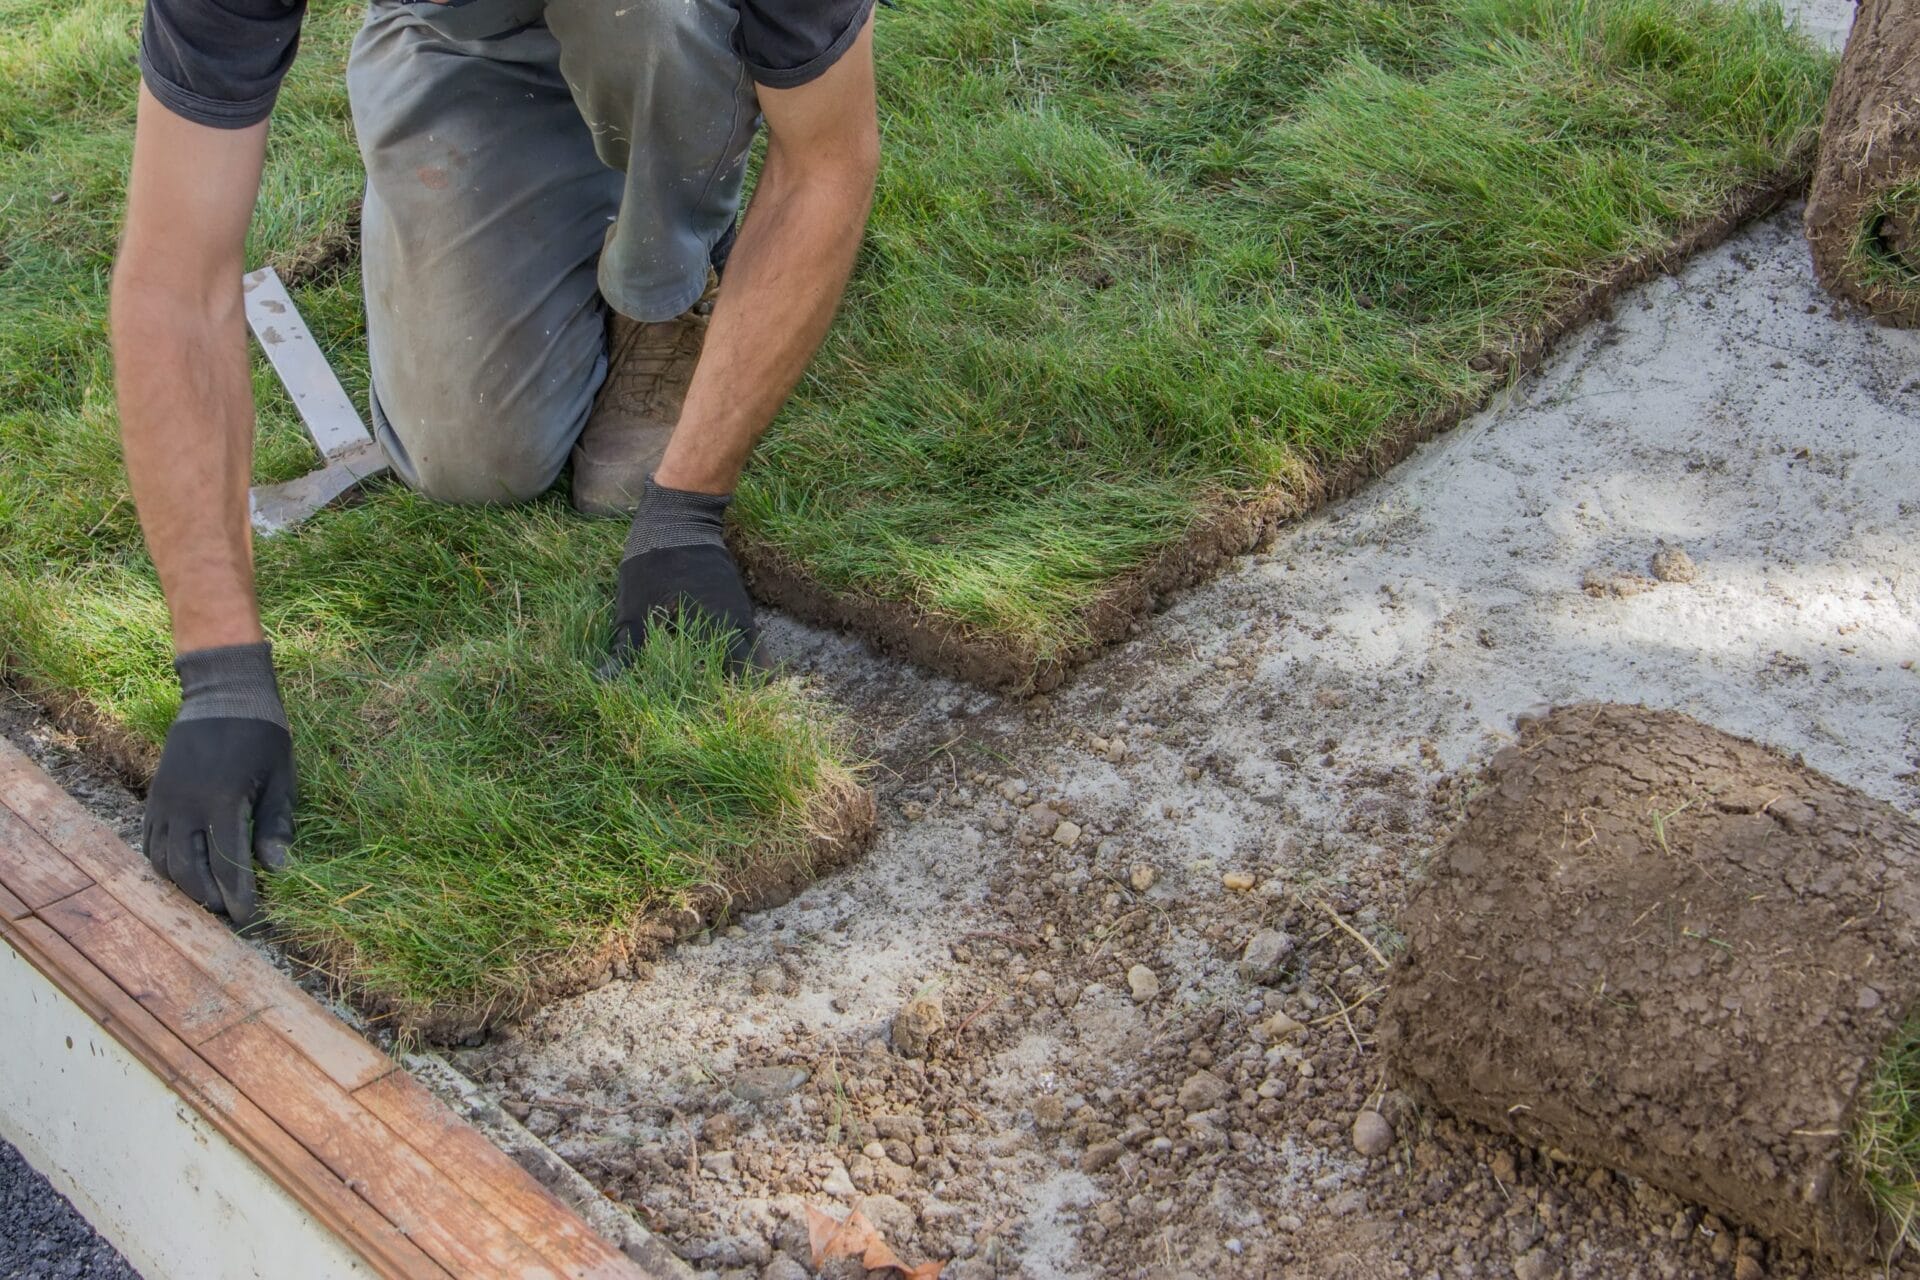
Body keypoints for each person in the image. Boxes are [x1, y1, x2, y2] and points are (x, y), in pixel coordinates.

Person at [111, 0, 882, 925]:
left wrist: (686, 509)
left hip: (662, 23)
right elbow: (177, 275)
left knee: (649, 15)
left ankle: (667, 278)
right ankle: (547, 177)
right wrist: (219, 673)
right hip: (456, 34)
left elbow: (827, 160)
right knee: (470, 458)